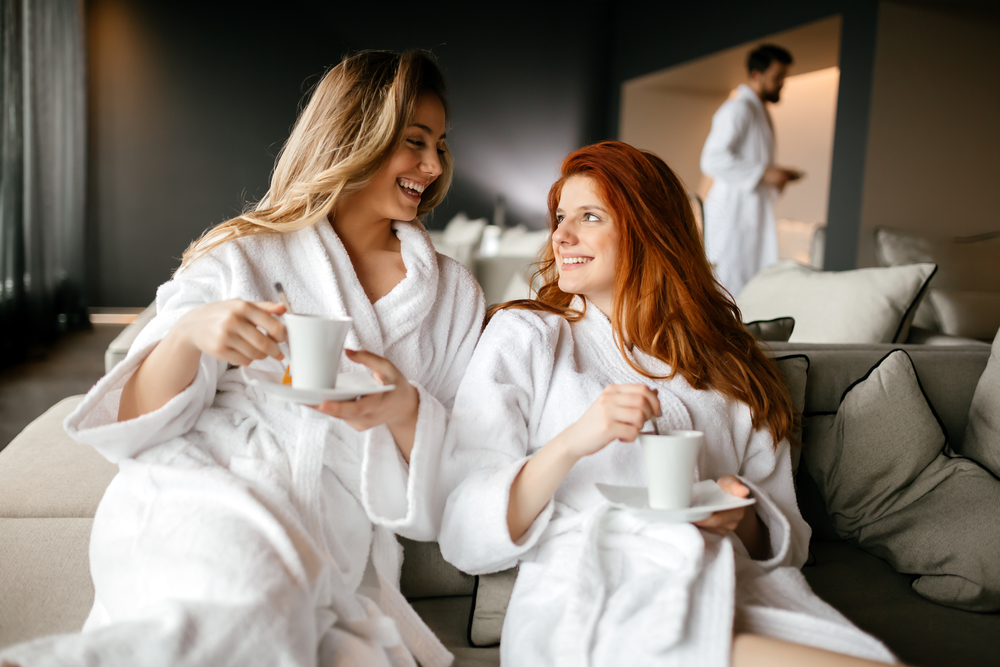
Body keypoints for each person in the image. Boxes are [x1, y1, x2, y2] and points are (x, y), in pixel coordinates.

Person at [0, 51, 484, 667]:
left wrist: (404, 409)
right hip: (207, 477)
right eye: (414, 142)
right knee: (256, 594)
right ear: (356, 135)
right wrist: (189, 335)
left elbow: (459, 467)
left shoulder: (450, 294)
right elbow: (134, 421)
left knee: (280, 615)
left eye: (440, 145)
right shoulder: (243, 254)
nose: (433, 164)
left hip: (327, 518)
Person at [438, 141, 898, 666]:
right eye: (561, 217)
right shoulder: (526, 337)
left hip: (733, 587)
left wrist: (739, 513)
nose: (561, 236)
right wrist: (574, 441)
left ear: (647, 229)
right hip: (596, 595)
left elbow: (788, 542)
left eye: (589, 217)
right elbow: (463, 530)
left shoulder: (728, 365)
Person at [700, 44, 803, 297]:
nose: (782, 84)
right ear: (757, 75)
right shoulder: (738, 109)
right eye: (777, 78)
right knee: (728, 283)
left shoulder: (759, 112)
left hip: (749, 212)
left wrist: (775, 176)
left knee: (747, 284)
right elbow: (712, 159)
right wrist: (765, 173)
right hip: (732, 213)